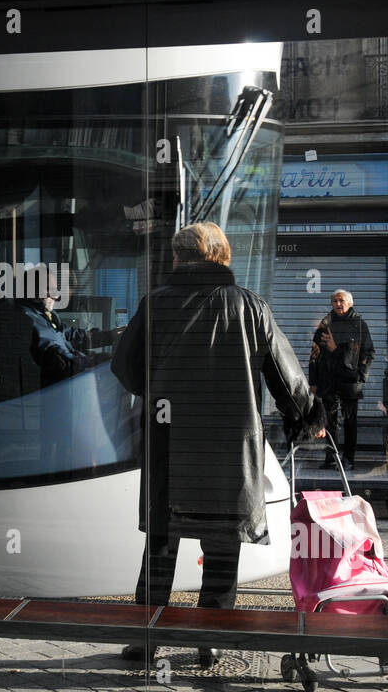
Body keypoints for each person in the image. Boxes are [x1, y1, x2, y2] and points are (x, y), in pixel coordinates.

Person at [111, 222, 325, 667]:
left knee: (161, 545)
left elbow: (124, 367)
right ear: (222, 257)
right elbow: (287, 380)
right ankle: (210, 636)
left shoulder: (156, 305)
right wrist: (309, 418)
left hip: (170, 441)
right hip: (230, 445)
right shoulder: (250, 307)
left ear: (179, 259)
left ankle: (144, 639)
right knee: (223, 543)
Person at [309, 289, 374, 471]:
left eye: (341, 300)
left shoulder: (359, 325)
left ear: (350, 303)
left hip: (350, 381)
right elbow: (314, 354)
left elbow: (368, 353)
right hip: (328, 381)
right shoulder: (325, 324)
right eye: (335, 301)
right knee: (329, 421)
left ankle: (348, 459)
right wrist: (313, 381)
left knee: (350, 422)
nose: (338, 304)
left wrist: (361, 376)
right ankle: (331, 458)